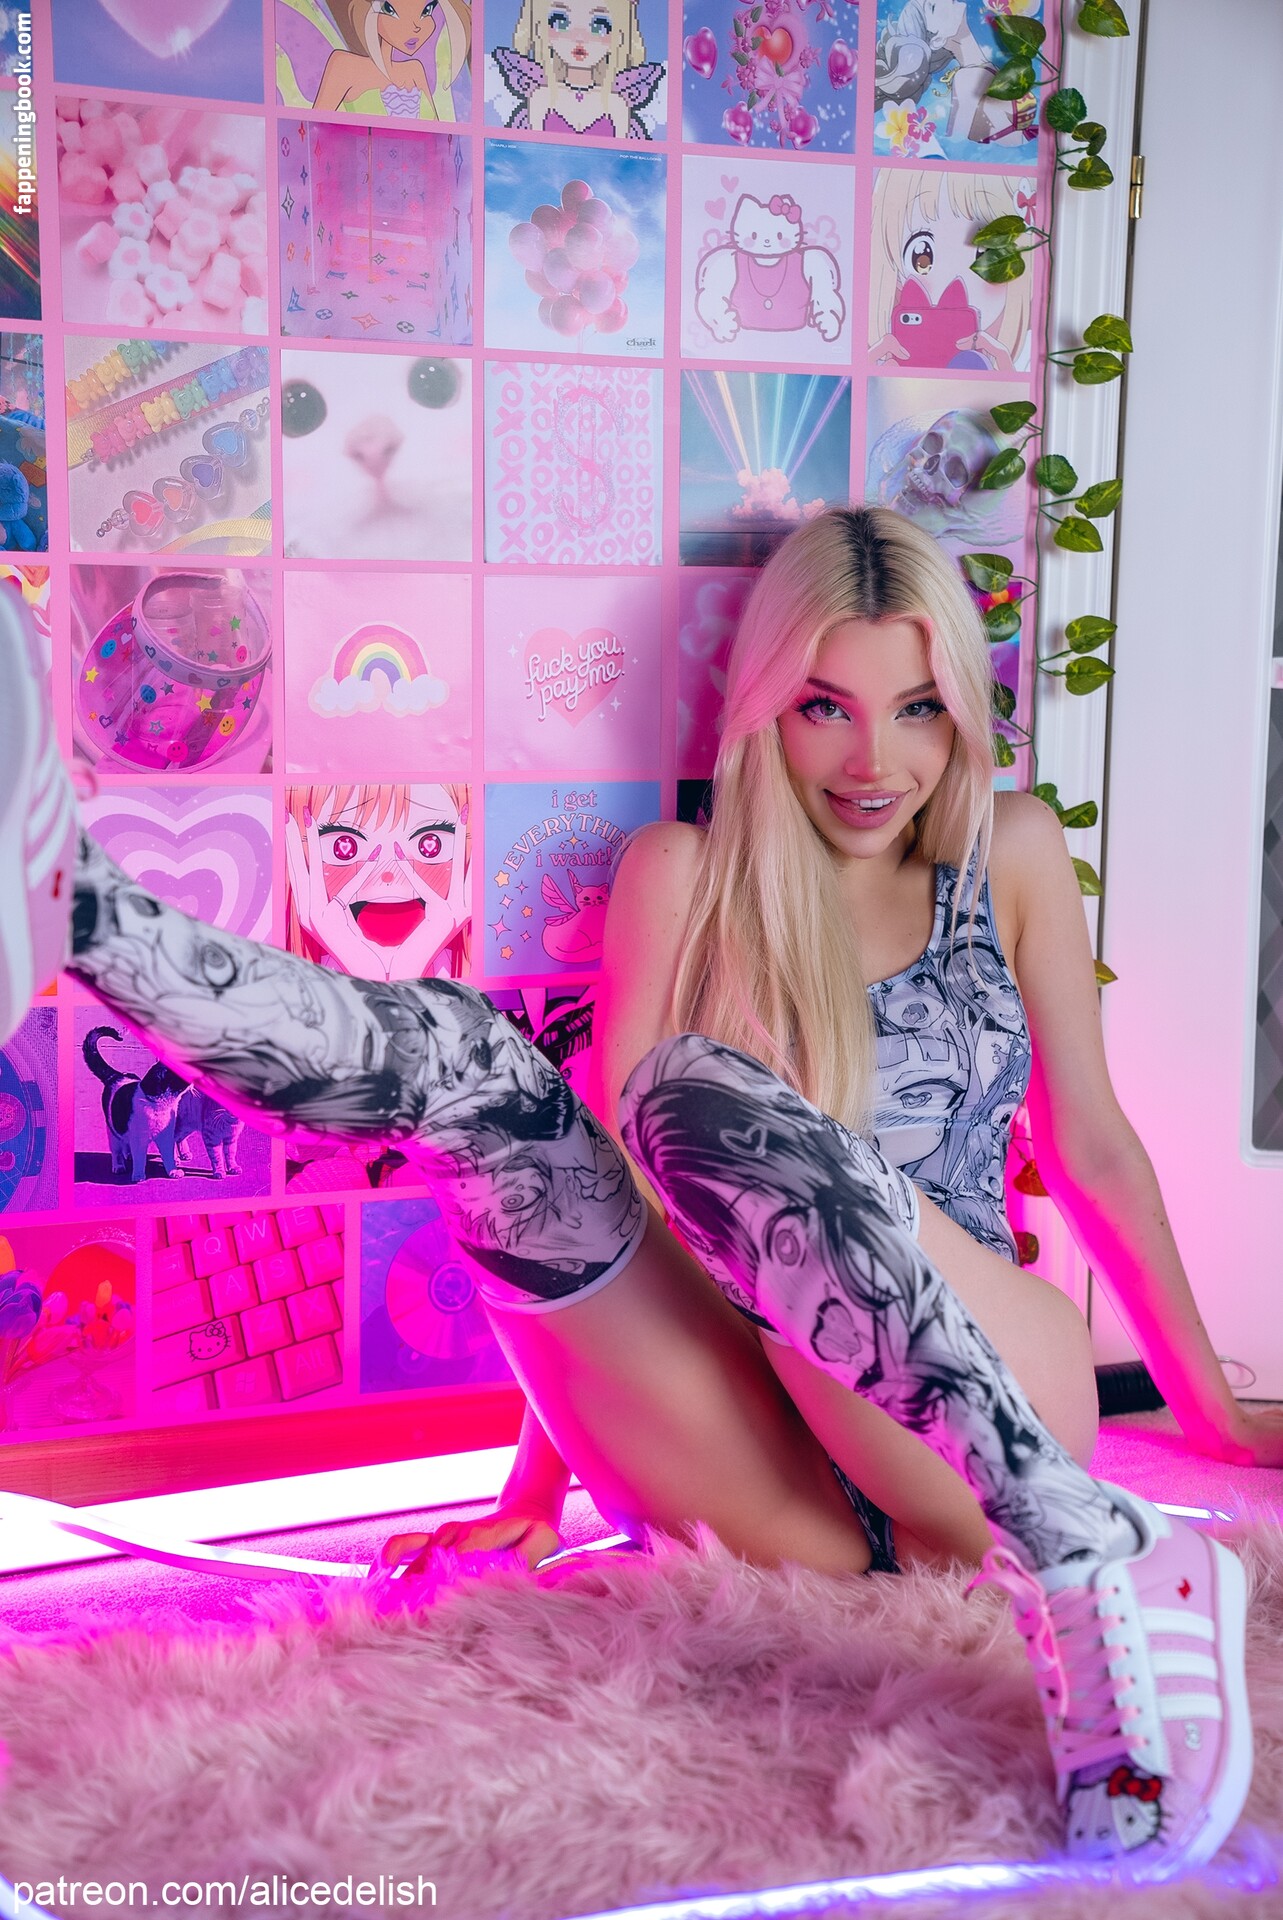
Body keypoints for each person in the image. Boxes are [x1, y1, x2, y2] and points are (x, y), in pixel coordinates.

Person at [0, 519, 1255, 1873]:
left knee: (696, 1098)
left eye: (918, 709)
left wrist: (1215, 1418)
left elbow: (1092, 1146)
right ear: (764, 708)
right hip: (778, 1461)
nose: (874, 762)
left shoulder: (1007, 854)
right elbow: (598, 1204)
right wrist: (541, 1485)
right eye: (825, 708)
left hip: (997, 1402)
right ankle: (82, 910)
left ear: (961, 713)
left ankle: (1083, 1537)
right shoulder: (683, 876)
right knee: (486, 1077)